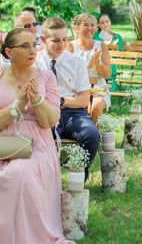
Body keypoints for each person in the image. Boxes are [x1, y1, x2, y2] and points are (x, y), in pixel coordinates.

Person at [0, 28, 73, 244]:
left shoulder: (46, 77)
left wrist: (38, 101)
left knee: (20, 173)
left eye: (34, 45)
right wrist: (16, 106)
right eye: (25, 46)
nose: (32, 50)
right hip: (4, 141)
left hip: (36, 143)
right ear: (8, 52)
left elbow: (50, 121)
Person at [36, 16, 100, 181]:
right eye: (55, 40)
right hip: (42, 113)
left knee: (91, 135)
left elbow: (84, 100)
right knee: (36, 139)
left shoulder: (76, 62)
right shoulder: (35, 61)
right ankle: (43, 178)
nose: (62, 45)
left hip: (72, 113)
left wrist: (61, 101)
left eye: (65, 39)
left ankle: (79, 175)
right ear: (43, 39)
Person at [68, 13, 111, 122]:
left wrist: (97, 64)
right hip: (76, 92)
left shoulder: (101, 46)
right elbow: (68, 75)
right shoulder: (70, 46)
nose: (90, 28)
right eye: (86, 25)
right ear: (76, 28)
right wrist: (88, 66)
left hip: (99, 91)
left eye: (92, 25)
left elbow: (107, 74)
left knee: (95, 106)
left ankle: (94, 136)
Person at [94, 13, 125, 91]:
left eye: (107, 21)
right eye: (102, 23)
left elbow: (120, 53)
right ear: (99, 25)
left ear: (110, 22)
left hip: (112, 64)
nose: (105, 24)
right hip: (97, 64)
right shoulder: (95, 36)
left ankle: (109, 86)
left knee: (111, 66)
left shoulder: (117, 37)